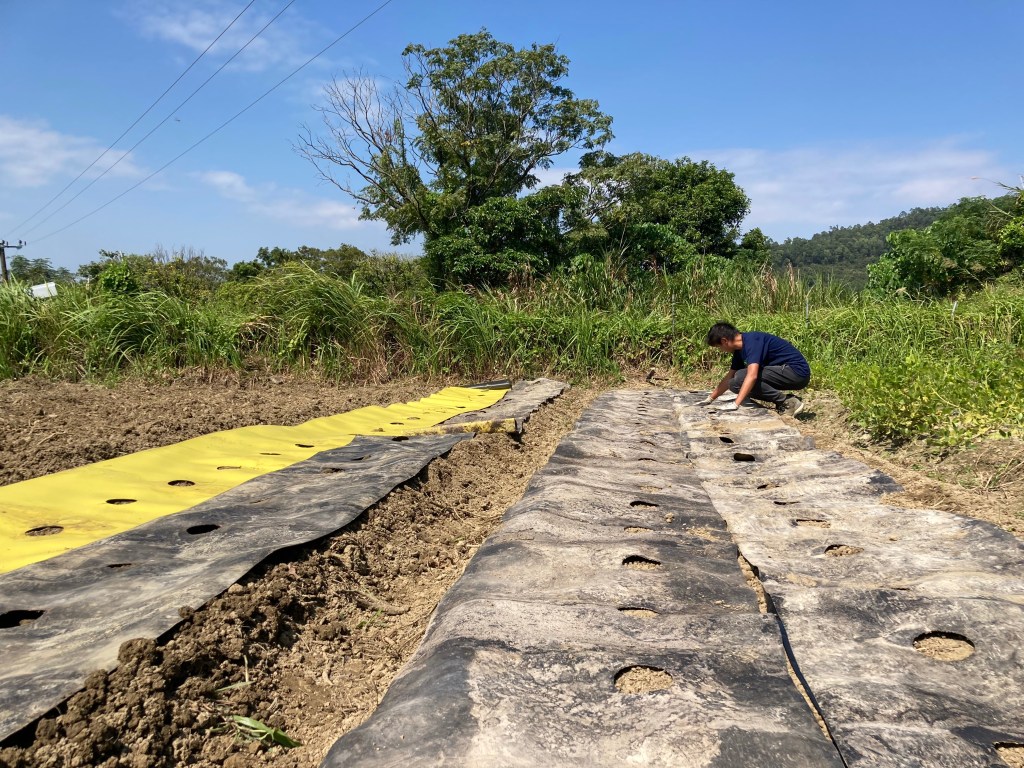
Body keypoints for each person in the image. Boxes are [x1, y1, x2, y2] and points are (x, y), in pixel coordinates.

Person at [698, 322, 810, 416]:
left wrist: (735, 404)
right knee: (734, 384)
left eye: (719, 347)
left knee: (742, 376)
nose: (721, 350)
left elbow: (752, 375)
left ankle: (788, 402)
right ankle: (784, 401)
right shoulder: (739, 350)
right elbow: (730, 376)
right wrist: (710, 399)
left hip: (797, 373)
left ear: (724, 341)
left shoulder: (752, 340)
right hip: (783, 372)